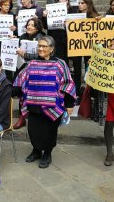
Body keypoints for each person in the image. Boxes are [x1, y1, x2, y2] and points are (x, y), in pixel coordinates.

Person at [14, 36, 76, 168]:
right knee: (33, 130)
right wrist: (14, 91)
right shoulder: (31, 63)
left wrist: (70, 104)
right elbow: (21, 79)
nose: (41, 49)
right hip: (33, 104)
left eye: (44, 46)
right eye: (39, 46)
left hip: (52, 106)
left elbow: (67, 83)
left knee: (49, 131)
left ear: (52, 49)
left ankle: (47, 153)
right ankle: (36, 151)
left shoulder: (60, 64)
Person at [13, 17, 45, 129]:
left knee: (32, 94)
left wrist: (25, 55)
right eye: (28, 25)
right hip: (23, 70)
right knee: (22, 93)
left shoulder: (42, 38)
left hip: (36, 72)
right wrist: (13, 40)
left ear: (37, 28)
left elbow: (41, 55)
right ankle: (22, 118)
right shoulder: (23, 37)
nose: (29, 27)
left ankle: (31, 118)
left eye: (32, 25)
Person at [72, 0, 100, 96]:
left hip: (89, 47)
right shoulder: (75, 16)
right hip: (77, 46)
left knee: (90, 68)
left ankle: (91, 92)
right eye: (79, 3)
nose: (79, 5)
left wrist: (99, 21)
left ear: (88, 4)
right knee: (77, 69)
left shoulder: (94, 16)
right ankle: (76, 92)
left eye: (82, 3)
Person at [43, 0, 77, 65]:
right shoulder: (50, 10)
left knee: (64, 61)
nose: (64, 1)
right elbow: (45, 26)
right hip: (54, 38)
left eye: (66, 0)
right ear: (58, 0)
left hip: (66, 40)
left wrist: (68, 25)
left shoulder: (72, 11)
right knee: (53, 60)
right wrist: (44, 16)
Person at [103, 38, 114, 166]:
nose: (112, 47)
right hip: (113, 101)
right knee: (109, 125)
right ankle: (109, 154)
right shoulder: (106, 61)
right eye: (111, 45)